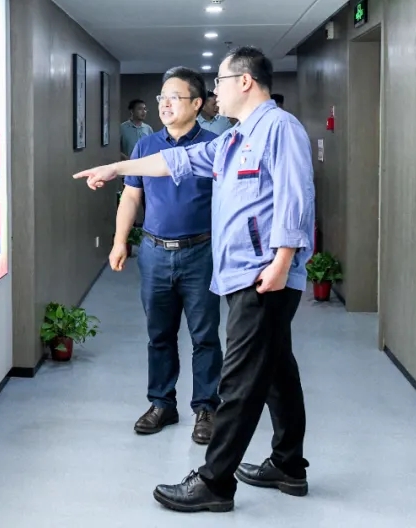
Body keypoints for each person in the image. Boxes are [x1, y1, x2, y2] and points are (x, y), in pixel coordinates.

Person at [73, 46, 315, 514]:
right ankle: (288, 465)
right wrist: (117, 168)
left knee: (239, 380)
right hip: (244, 274)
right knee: (277, 371)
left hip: (263, 275)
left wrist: (283, 260)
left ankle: (214, 482)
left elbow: (295, 195)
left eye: (220, 81)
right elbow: (175, 162)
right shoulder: (235, 138)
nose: (215, 92)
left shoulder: (279, 128)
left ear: (245, 81)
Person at [113, 67, 221, 445]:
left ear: (197, 103)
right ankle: (162, 403)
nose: (165, 104)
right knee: (159, 334)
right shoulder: (146, 146)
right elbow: (131, 196)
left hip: (201, 253)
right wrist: (120, 241)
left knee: (204, 335)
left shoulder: (213, 146)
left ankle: (206, 408)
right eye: (162, 97)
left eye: (175, 97)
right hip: (155, 253)